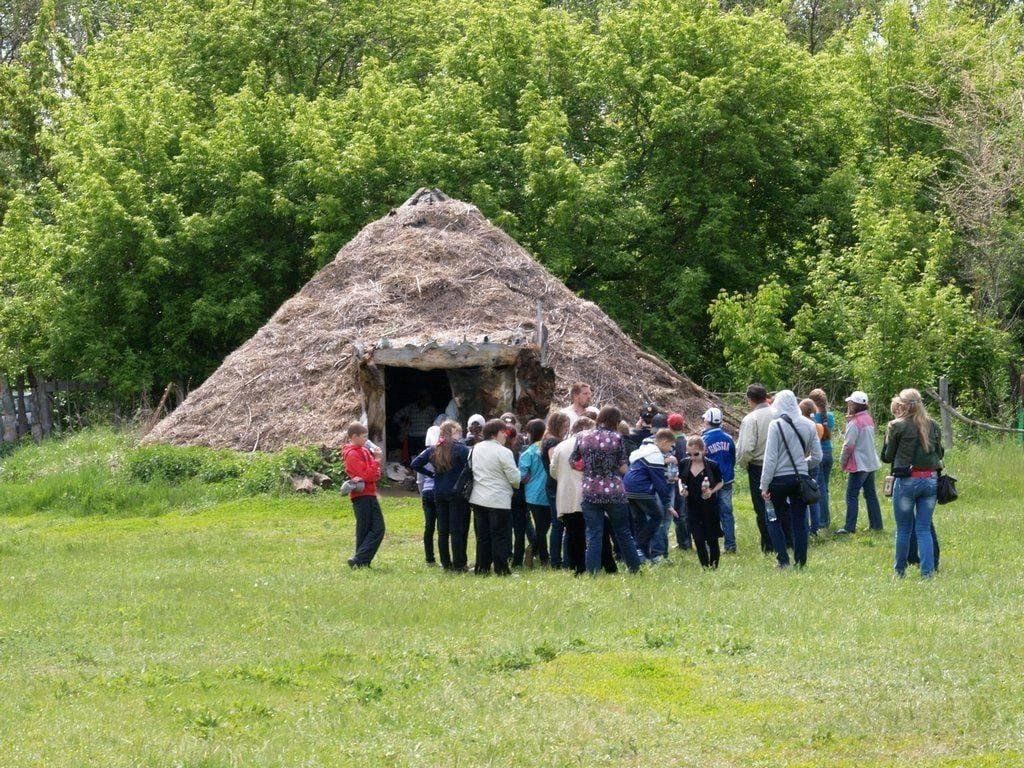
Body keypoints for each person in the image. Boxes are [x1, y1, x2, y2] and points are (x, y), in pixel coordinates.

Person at [571, 405, 643, 575]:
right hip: (614, 491)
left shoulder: (582, 436)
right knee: (623, 533)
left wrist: (589, 470)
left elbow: (573, 461)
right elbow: (623, 467)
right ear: (616, 422)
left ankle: (593, 573)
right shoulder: (617, 439)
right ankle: (635, 569)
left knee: (594, 535)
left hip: (590, 491)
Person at [881, 388, 944, 578]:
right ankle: (927, 573)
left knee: (904, 529)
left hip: (907, 480)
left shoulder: (896, 425)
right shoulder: (933, 425)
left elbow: (887, 456)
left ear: (902, 405)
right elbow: (939, 454)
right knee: (924, 529)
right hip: (930, 480)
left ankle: (900, 571)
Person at [759, 390, 823, 569]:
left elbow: (770, 458)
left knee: (773, 518)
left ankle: (783, 560)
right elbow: (817, 457)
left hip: (778, 480)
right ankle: (801, 561)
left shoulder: (776, 425)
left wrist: (764, 485)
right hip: (800, 479)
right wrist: (802, 465)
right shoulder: (809, 425)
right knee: (800, 520)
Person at [410, 420, 471, 571]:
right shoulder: (461, 449)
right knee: (457, 529)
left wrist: (431, 474)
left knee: (442, 530)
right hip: (457, 492)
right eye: (458, 432)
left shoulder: (433, 449)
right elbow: (470, 467)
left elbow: (415, 464)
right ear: (454, 432)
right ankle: (459, 563)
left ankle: (446, 563)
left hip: (439, 492)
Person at [469, 419, 521, 575]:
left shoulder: (476, 448)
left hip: (478, 498)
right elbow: (515, 478)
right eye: (503, 432)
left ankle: (482, 568)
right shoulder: (504, 452)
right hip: (498, 500)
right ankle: (501, 569)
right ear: (494, 433)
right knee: (499, 536)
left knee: (483, 536)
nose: (506, 435)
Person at [549, 416, 595, 574]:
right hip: (586, 493)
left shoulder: (560, 446)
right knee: (586, 531)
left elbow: (553, 471)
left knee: (571, 531)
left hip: (565, 493)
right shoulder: (589, 445)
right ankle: (584, 565)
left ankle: (572, 564)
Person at [623, 428, 675, 562]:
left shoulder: (643, 451)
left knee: (640, 521)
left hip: (627, 488)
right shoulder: (655, 455)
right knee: (657, 517)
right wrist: (668, 504)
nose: (669, 449)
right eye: (670, 445)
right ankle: (637, 546)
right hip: (641, 489)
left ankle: (643, 555)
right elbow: (660, 483)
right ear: (663, 441)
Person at [737, 383, 776, 553]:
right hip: (779, 466)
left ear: (749, 400)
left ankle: (768, 545)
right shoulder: (778, 414)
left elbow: (745, 449)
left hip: (758, 467)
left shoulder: (751, 419)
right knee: (780, 505)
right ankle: (786, 540)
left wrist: (744, 464)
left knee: (762, 508)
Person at [837, 390, 883, 535]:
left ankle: (849, 527)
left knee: (851, 495)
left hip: (860, 464)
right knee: (870, 494)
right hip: (870, 462)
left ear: (854, 404)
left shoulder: (855, 422)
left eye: (850, 402)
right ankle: (876, 525)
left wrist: (842, 462)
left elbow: (848, 445)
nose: (848, 404)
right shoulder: (868, 418)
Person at [342, 422, 385, 568]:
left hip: (370, 493)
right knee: (375, 528)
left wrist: (374, 465)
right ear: (354, 437)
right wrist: (377, 461)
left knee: (368, 528)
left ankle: (361, 562)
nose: (366, 440)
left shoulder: (365, 451)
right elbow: (365, 474)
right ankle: (359, 559)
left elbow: (375, 475)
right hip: (361, 495)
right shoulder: (352, 454)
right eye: (364, 436)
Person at [679, 435, 725, 568]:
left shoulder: (712, 465)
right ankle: (705, 566)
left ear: (703, 450)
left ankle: (714, 566)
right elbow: (680, 480)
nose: (692, 457)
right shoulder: (684, 463)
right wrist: (682, 489)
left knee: (712, 538)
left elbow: (720, 481)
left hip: (709, 506)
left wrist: (711, 491)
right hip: (692, 506)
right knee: (698, 539)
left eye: (696, 454)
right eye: (689, 454)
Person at [701, 407, 737, 554]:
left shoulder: (704, 440)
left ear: (708, 420)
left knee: (709, 513)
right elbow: (732, 458)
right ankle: (730, 545)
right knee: (727, 513)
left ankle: (710, 545)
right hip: (727, 480)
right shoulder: (728, 438)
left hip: (710, 483)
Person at [518, 418, 552, 566]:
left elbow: (521, 476)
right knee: (546, 526)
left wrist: (528, 478)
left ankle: (539, 553)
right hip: (549, 492)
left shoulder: (528, 453)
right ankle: (540, 553)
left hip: (533, 495)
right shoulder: (549, 448)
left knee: (540, 526)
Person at [541, 412, 571, 569]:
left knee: (558, 524)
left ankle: (557, 560)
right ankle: (556, 561)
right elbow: (555, 464)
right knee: (558, 524)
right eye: (565, 426)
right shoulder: (552, 441)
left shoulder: (551, 439)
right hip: (555, 486)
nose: (567, 429)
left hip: (554, 486)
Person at [412, 425, 441, 566]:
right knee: (442, 527)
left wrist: (422, 492)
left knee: (429, 527)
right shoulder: (443, 452)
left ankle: (429, 558)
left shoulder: (425, 453)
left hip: (426, 492)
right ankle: (445, 558)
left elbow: (420, 480)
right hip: (439, 492)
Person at [808, 389, 836, 531]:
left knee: (818, 489)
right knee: (825, 487)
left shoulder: (812, 417)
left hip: (817, 453)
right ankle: (825, 518)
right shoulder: (829, 416)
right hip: (828, 452)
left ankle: (821, 520)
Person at [799, 398, 825, 536]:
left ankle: (805, 527)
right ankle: (815, 526)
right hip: (814, 462)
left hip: (804, 461)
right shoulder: (818, 426)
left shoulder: (803, 425)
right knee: (813, 494)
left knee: (803, 496)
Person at [666, 413, 691, 550]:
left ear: (669, 426)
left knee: (679, 513)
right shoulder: (686, 441)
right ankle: (686, 541)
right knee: (684, 512)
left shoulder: (672, 443)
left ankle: (684, 543)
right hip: (686, 479)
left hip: (675, 480)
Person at [393, 391, 436, 459]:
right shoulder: (411, 408)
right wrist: (403, 425)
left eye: (427, 398)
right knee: (413, 457)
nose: (425, 400)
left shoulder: (431, 409)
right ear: (419, 398)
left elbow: (436, 422)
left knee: (426, 457)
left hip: (425, 437)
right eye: (423, 397)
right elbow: (396, 417)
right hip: (412, 437)